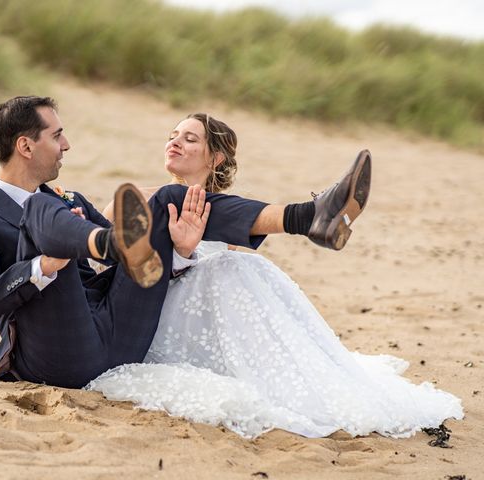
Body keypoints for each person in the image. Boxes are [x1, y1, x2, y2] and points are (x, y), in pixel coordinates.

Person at [0, 96, 367, 391]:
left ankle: (310, 219)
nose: (66, 145)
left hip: (119, 343)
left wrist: (179, 250)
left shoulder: (71, 200)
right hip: (57, 356)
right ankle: (108, 242)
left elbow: (139, 253)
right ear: (25, 145)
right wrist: (46, 264)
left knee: (168, 198)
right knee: (40, 212)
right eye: (57, 136)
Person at [86, 113, 464, 439]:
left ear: (214, 157)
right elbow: (112, 271)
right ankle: (308, 216)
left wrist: (188, 253)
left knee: (241, 265)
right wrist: (180, 253)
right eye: (172, 136)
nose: (175, 143)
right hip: (145, 308)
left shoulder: (227, 216)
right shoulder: (132, 197)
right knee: (179, 203)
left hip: (195, 314)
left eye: (189, 138)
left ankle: (312, 219)